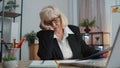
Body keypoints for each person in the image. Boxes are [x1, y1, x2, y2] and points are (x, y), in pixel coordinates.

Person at [36, 5, 107, 60]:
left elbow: (85, 49)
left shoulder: (74, 30)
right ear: (44, 24)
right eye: (49, 22)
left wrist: (100, 53)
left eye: (55, 20)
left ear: (61, 18)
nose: (54, 25)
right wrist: (48, 33)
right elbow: (45, 57)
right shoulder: (44, 35)